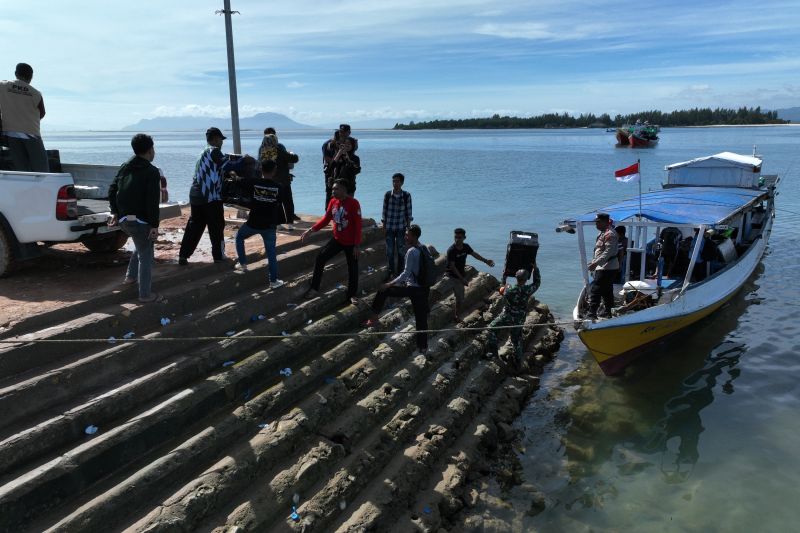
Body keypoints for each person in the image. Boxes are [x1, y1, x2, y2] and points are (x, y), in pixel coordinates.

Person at [108, 134, 162, 303]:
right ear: (149, 150)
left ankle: (130, 277)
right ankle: (145, 295)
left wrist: (115, 212)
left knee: (141, 244)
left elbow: (111, 189)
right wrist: (154, 225)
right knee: (146, 255)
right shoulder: (151, 171)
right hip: (141, 221)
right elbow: (152, 200)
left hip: (124, 220)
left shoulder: (125, 166)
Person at [178, 127, 243, 265]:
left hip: (195, 195)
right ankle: (219, 256)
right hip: (210, 197)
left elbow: (215, 170)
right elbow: (229, 165)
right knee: (217, 226)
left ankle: (183, 255)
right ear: (215, 138)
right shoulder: (214, 150)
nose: (222, 142)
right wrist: (245, 161)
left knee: (195, 225)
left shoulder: (203, 152)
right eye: (221, 139)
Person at [366, 224, 430, 355]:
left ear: (414, 236)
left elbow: (405, 273)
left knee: (384, 290)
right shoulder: (424, 248)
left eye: (408, 235)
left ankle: (373, 318)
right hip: (423, 289)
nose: (406, 237)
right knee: (421, 319)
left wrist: (389, 284)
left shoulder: (411, 252)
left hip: (413, 288)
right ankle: (423, 347)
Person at [301, 179, 362, 304]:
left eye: (336, 189)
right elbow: (325, 219)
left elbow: (358, 225)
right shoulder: (333, 202)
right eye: (333, 189)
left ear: (344, 190)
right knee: (320, 258)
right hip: (337, 240)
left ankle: (352, 295)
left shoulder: (353, 203)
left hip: (351, 243)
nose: (333, 191)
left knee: (353, 268)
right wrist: (310, 230)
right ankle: (314, 288)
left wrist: (356, 245)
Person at [233, 159, 287, 288]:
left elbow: (238, 180)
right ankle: (273, 281)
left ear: (261, 170)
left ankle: (243, 264)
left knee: (239, 237)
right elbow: (279, 204)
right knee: (271, 254)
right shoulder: (279, 187)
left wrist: (234, 173)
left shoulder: (253, 182)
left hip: (253, 223)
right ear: (274, 171)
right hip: (269, 226)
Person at [0, 63, 48, 172]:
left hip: (10, 133)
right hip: (31, 133)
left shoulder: (2, 86)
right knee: (42, 169)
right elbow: (42, 113)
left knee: (21, 168)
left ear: (16, 74)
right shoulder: (36, 93)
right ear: (31, 76)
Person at [486, 268, 538, 361]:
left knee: (491, 329)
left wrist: (504, 277)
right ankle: (518, 361)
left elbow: (502, 289)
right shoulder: (528, 290)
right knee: (516, 339)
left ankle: (494, 354)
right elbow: (537, 283)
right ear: (526, 279)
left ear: (516, 277)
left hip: (507, 316)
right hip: (520, 318)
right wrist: (535, 269)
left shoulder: (509, 290)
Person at [445, 228, 495, 321]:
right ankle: (456, 316)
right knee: (458, 297)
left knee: (460, 298)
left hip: (460, 274)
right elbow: (452, 266)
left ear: (464, 237)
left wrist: (486, 261)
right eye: (455, 237)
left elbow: (474, 254)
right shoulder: (451, 250)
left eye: (459, 237)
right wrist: (461, 279)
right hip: (452, 275)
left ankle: (456, 314)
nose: (457, 239)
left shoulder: (466, 247)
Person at [262, 127, 300, 223]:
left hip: (270, 180)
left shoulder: (263, 150)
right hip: (282, 180)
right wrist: (292, 154)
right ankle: (290, 222)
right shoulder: (279, 148)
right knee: (287, 202)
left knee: (275, 202)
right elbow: (293, 159)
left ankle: (279, 222)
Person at [586, 212, 619, 319]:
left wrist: (596, 263)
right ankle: (608, 311)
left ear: (605, 222)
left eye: (598, 222)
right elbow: (599, 250)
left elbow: (607, 252)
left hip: (607, 267)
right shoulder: (603, 233)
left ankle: (591, 314)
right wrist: (594, 261)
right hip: (604, 266)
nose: (596, 225)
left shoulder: (610, 234)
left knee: (595, 289)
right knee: (606, 290)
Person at [382, 172, 413, 279]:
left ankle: (400, 271)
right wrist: (384, 227)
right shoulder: (387, 195)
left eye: (397, 181)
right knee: (389, 251)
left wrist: (408, 228)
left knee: (401, 251)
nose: (395, 183)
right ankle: (391, 271)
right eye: (393, 181)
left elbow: (409, 213)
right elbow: (384, 212)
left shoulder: (406, 195)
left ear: (402, 183)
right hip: (389, 228)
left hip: (401, 228)